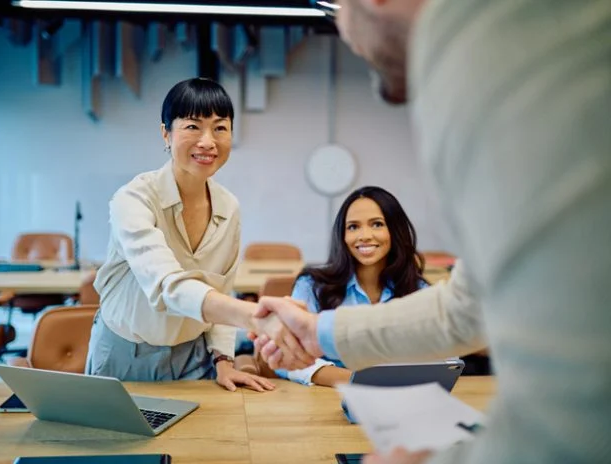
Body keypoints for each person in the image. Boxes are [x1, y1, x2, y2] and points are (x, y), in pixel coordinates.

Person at [254, 0, 611, 463]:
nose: (341, 30)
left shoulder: (491, 46)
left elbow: (570, 420)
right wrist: (317, 330)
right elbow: (464, 307)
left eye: (335, 8)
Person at [86, 78, 313, 392]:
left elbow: (221, 288)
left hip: (194, 357)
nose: (208, 141)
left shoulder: (228, 206)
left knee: (196, 441)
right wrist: (256, 318)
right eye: (193, 126)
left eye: (220, 128)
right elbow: (168, 286)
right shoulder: (134, 199)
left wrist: (223, 360)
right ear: (166, 132)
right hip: (125, 353)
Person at [277, 186, 428, 387]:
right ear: (342, 235)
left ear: (395, 230)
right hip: (327, 399)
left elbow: (447, 359)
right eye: (353, 227)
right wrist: (357, 381)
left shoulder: (419, 290)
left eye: (377, 224)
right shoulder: (312, 286)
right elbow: (289, 357)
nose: (364, 235)